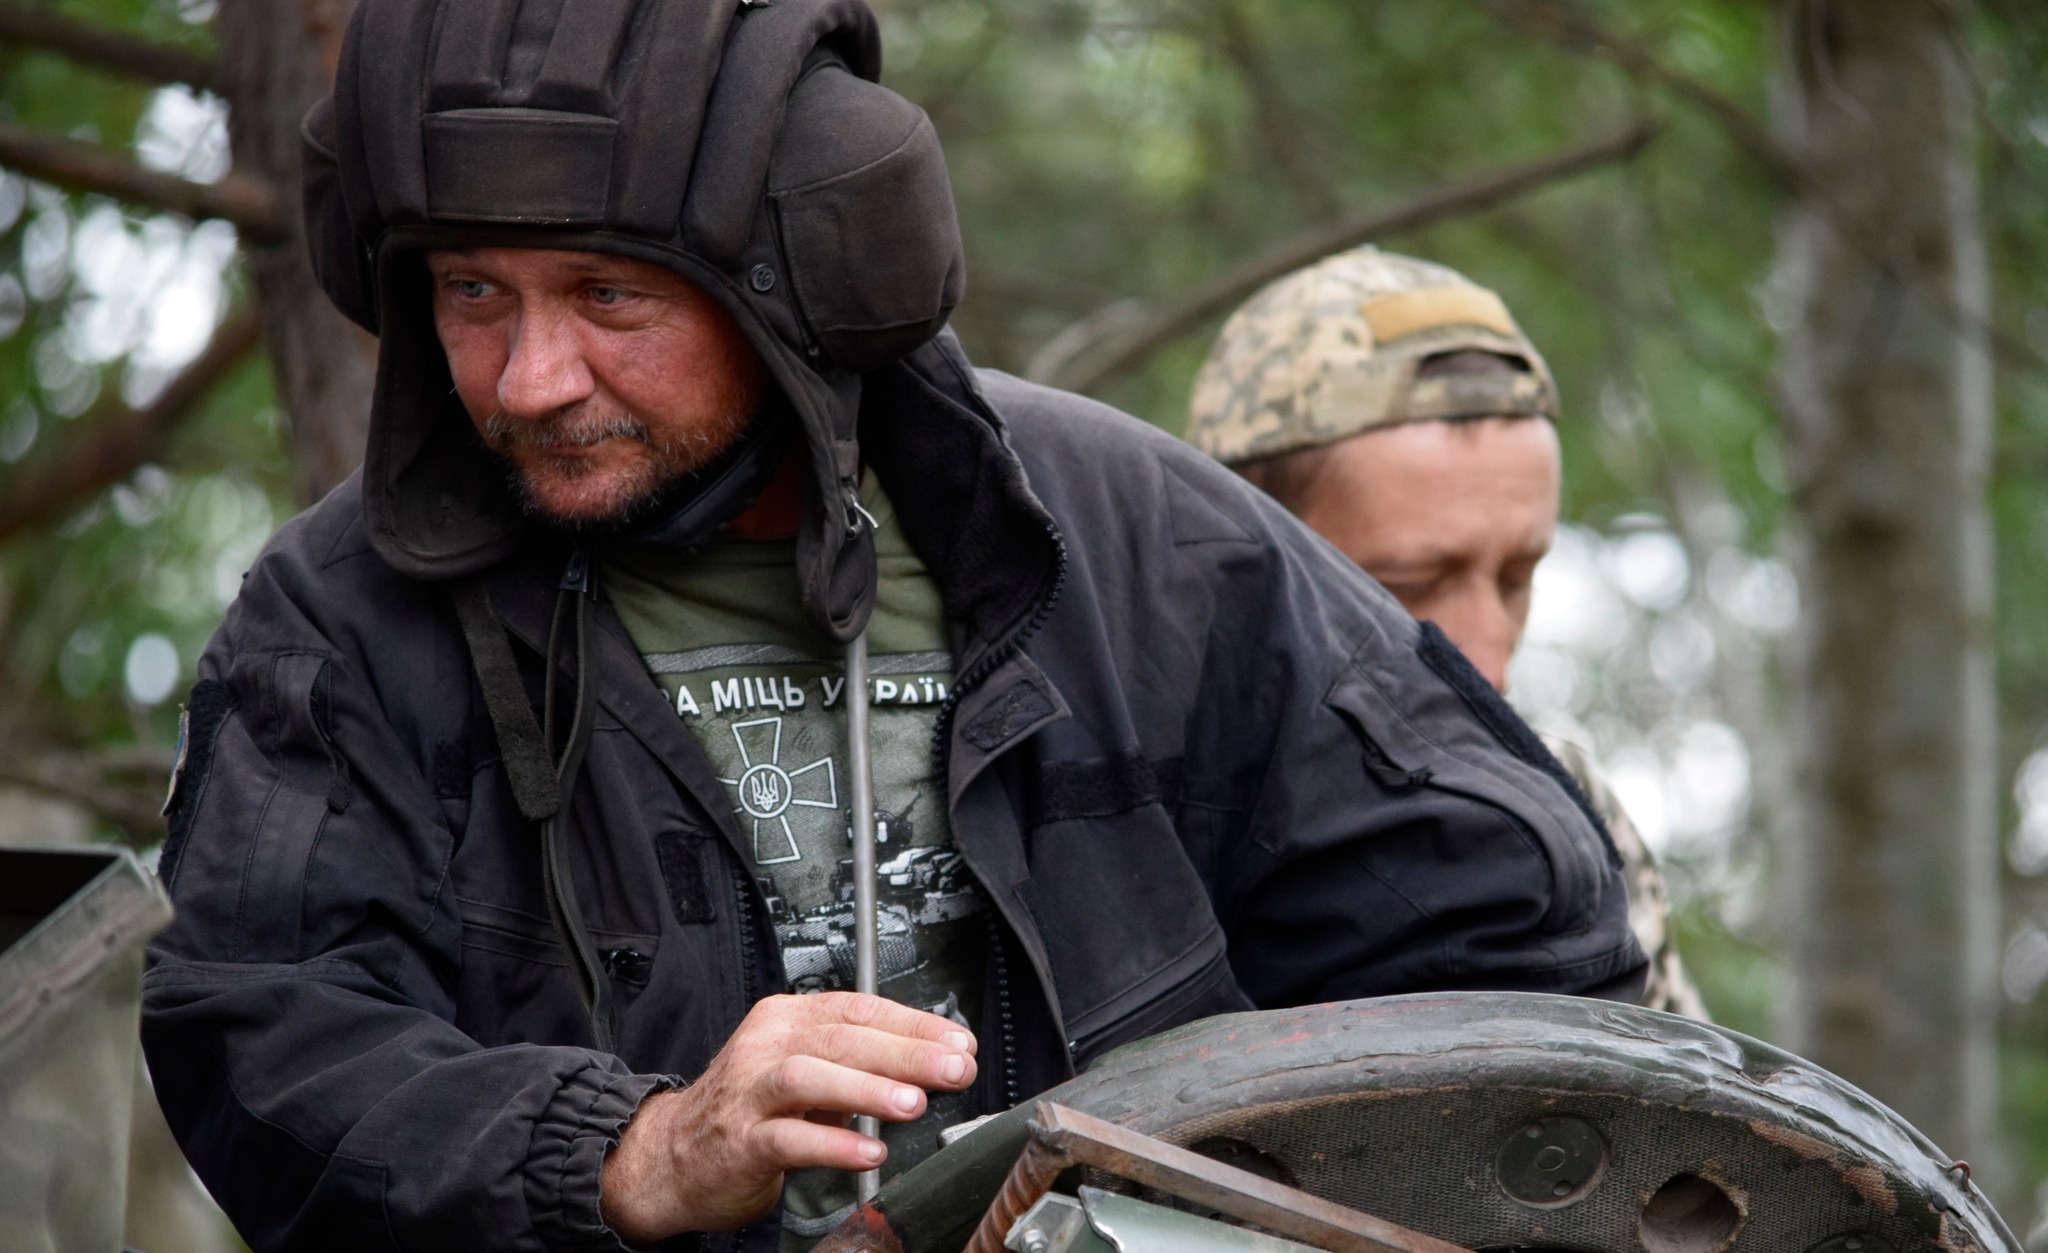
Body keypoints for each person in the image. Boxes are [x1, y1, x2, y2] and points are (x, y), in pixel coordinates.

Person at [141, 5, 1644, 1251]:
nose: (532, 378)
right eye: (474, 292)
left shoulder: (1133, 544)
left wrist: (1216, 1200)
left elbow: (1516, 941)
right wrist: (635, 1150)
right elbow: (263, 1039)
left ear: (805, 280)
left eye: (607, 295)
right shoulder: (345, 619)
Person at [1184, 245, 1707, 1019]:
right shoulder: (1094, 820)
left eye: (1517, 577)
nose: (1488, 659)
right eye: (1411, 586)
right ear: (1228, 573)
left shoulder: (1565, 814)